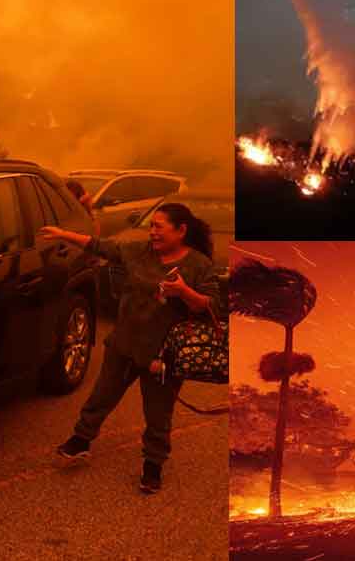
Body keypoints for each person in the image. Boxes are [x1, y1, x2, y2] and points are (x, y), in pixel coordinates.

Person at [38, 203, 220, 493]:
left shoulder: (199, 265)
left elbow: (212, 306)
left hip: (163, 356)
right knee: (101, 396)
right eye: (151, 226)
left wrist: (184, 292)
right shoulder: (139, 252)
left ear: (181, 230)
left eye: (159, 226)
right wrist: (64, 234)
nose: (153, 232)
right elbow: (101, 247)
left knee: (158, 413)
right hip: (124, 344)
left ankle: (153, 466)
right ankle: (81, 440)